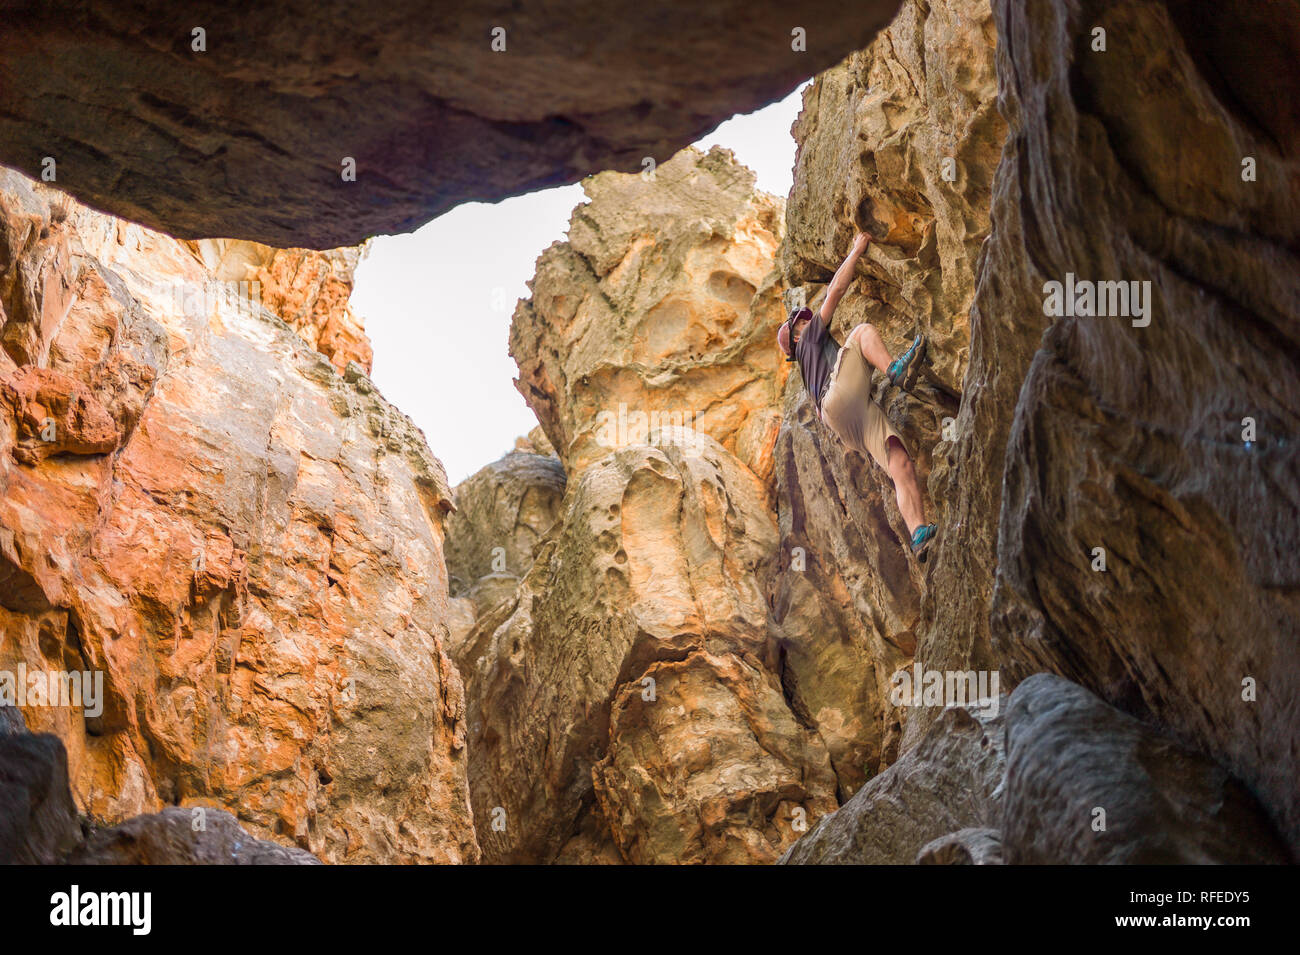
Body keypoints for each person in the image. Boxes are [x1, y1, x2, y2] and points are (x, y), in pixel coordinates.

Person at [777, 231, 938, 558]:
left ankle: (918, 533)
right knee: (863, 332)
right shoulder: (808, 341)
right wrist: (856, 250)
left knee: (899, 463)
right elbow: (835, 290)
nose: (807, 322)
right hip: (840, 396)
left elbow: (827, 410)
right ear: (797, 334)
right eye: (801, 323)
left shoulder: (807, 372)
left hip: (845, 424)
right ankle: (896, 371)